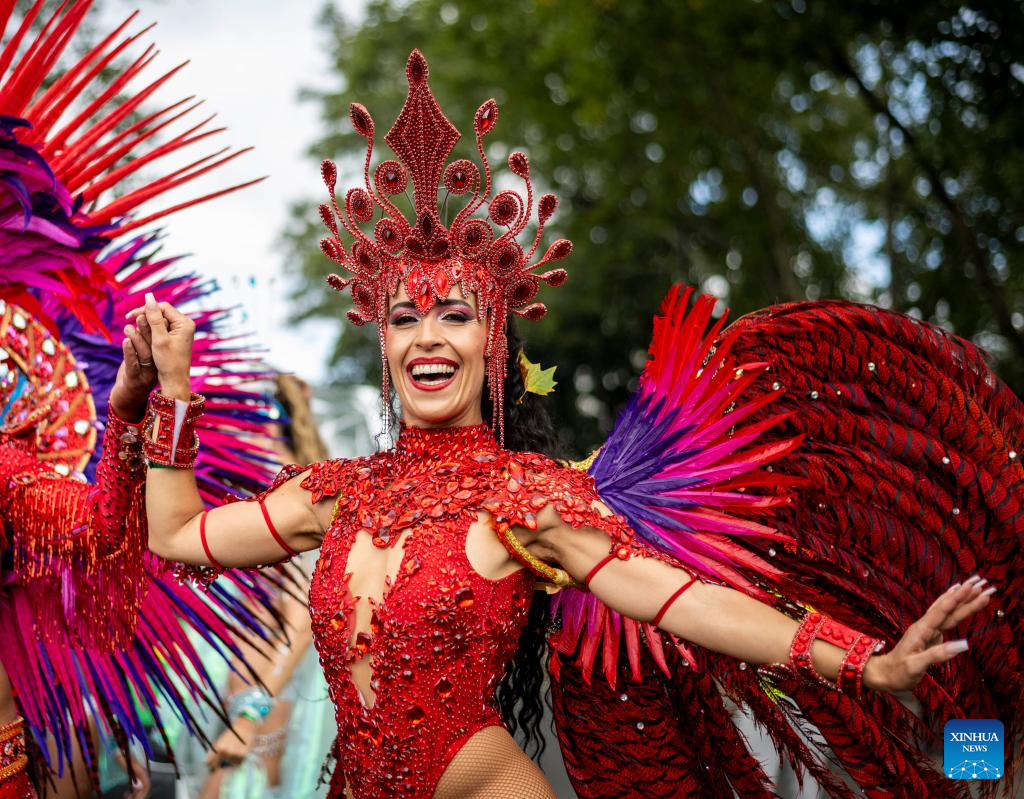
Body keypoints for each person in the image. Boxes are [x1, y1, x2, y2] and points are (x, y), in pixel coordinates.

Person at [130, 51, 1015, 799]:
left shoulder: (528, 500)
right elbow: (174, 534)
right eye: (405, 318)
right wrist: (169, 393)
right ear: (383, 342)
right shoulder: (334, 494)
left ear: (493, 339)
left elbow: (687, 601)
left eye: (456, 316)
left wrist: (864, 661)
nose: (428, 338)